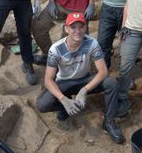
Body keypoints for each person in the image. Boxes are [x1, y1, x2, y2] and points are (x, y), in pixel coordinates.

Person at [36, 12, 124, 144]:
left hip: (84, 80)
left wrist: (84, 90)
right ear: (66, 29)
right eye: (73, 27)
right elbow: (48, 80)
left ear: (85, 28)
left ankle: (109, 121)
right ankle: (64, 107)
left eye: (81, 27)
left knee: (111, 82)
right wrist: (63, 100)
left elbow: (103, 71)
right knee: (43, 104)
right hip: (64, 84)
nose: (77, 31)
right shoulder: (56, 49)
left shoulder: (92, 43)